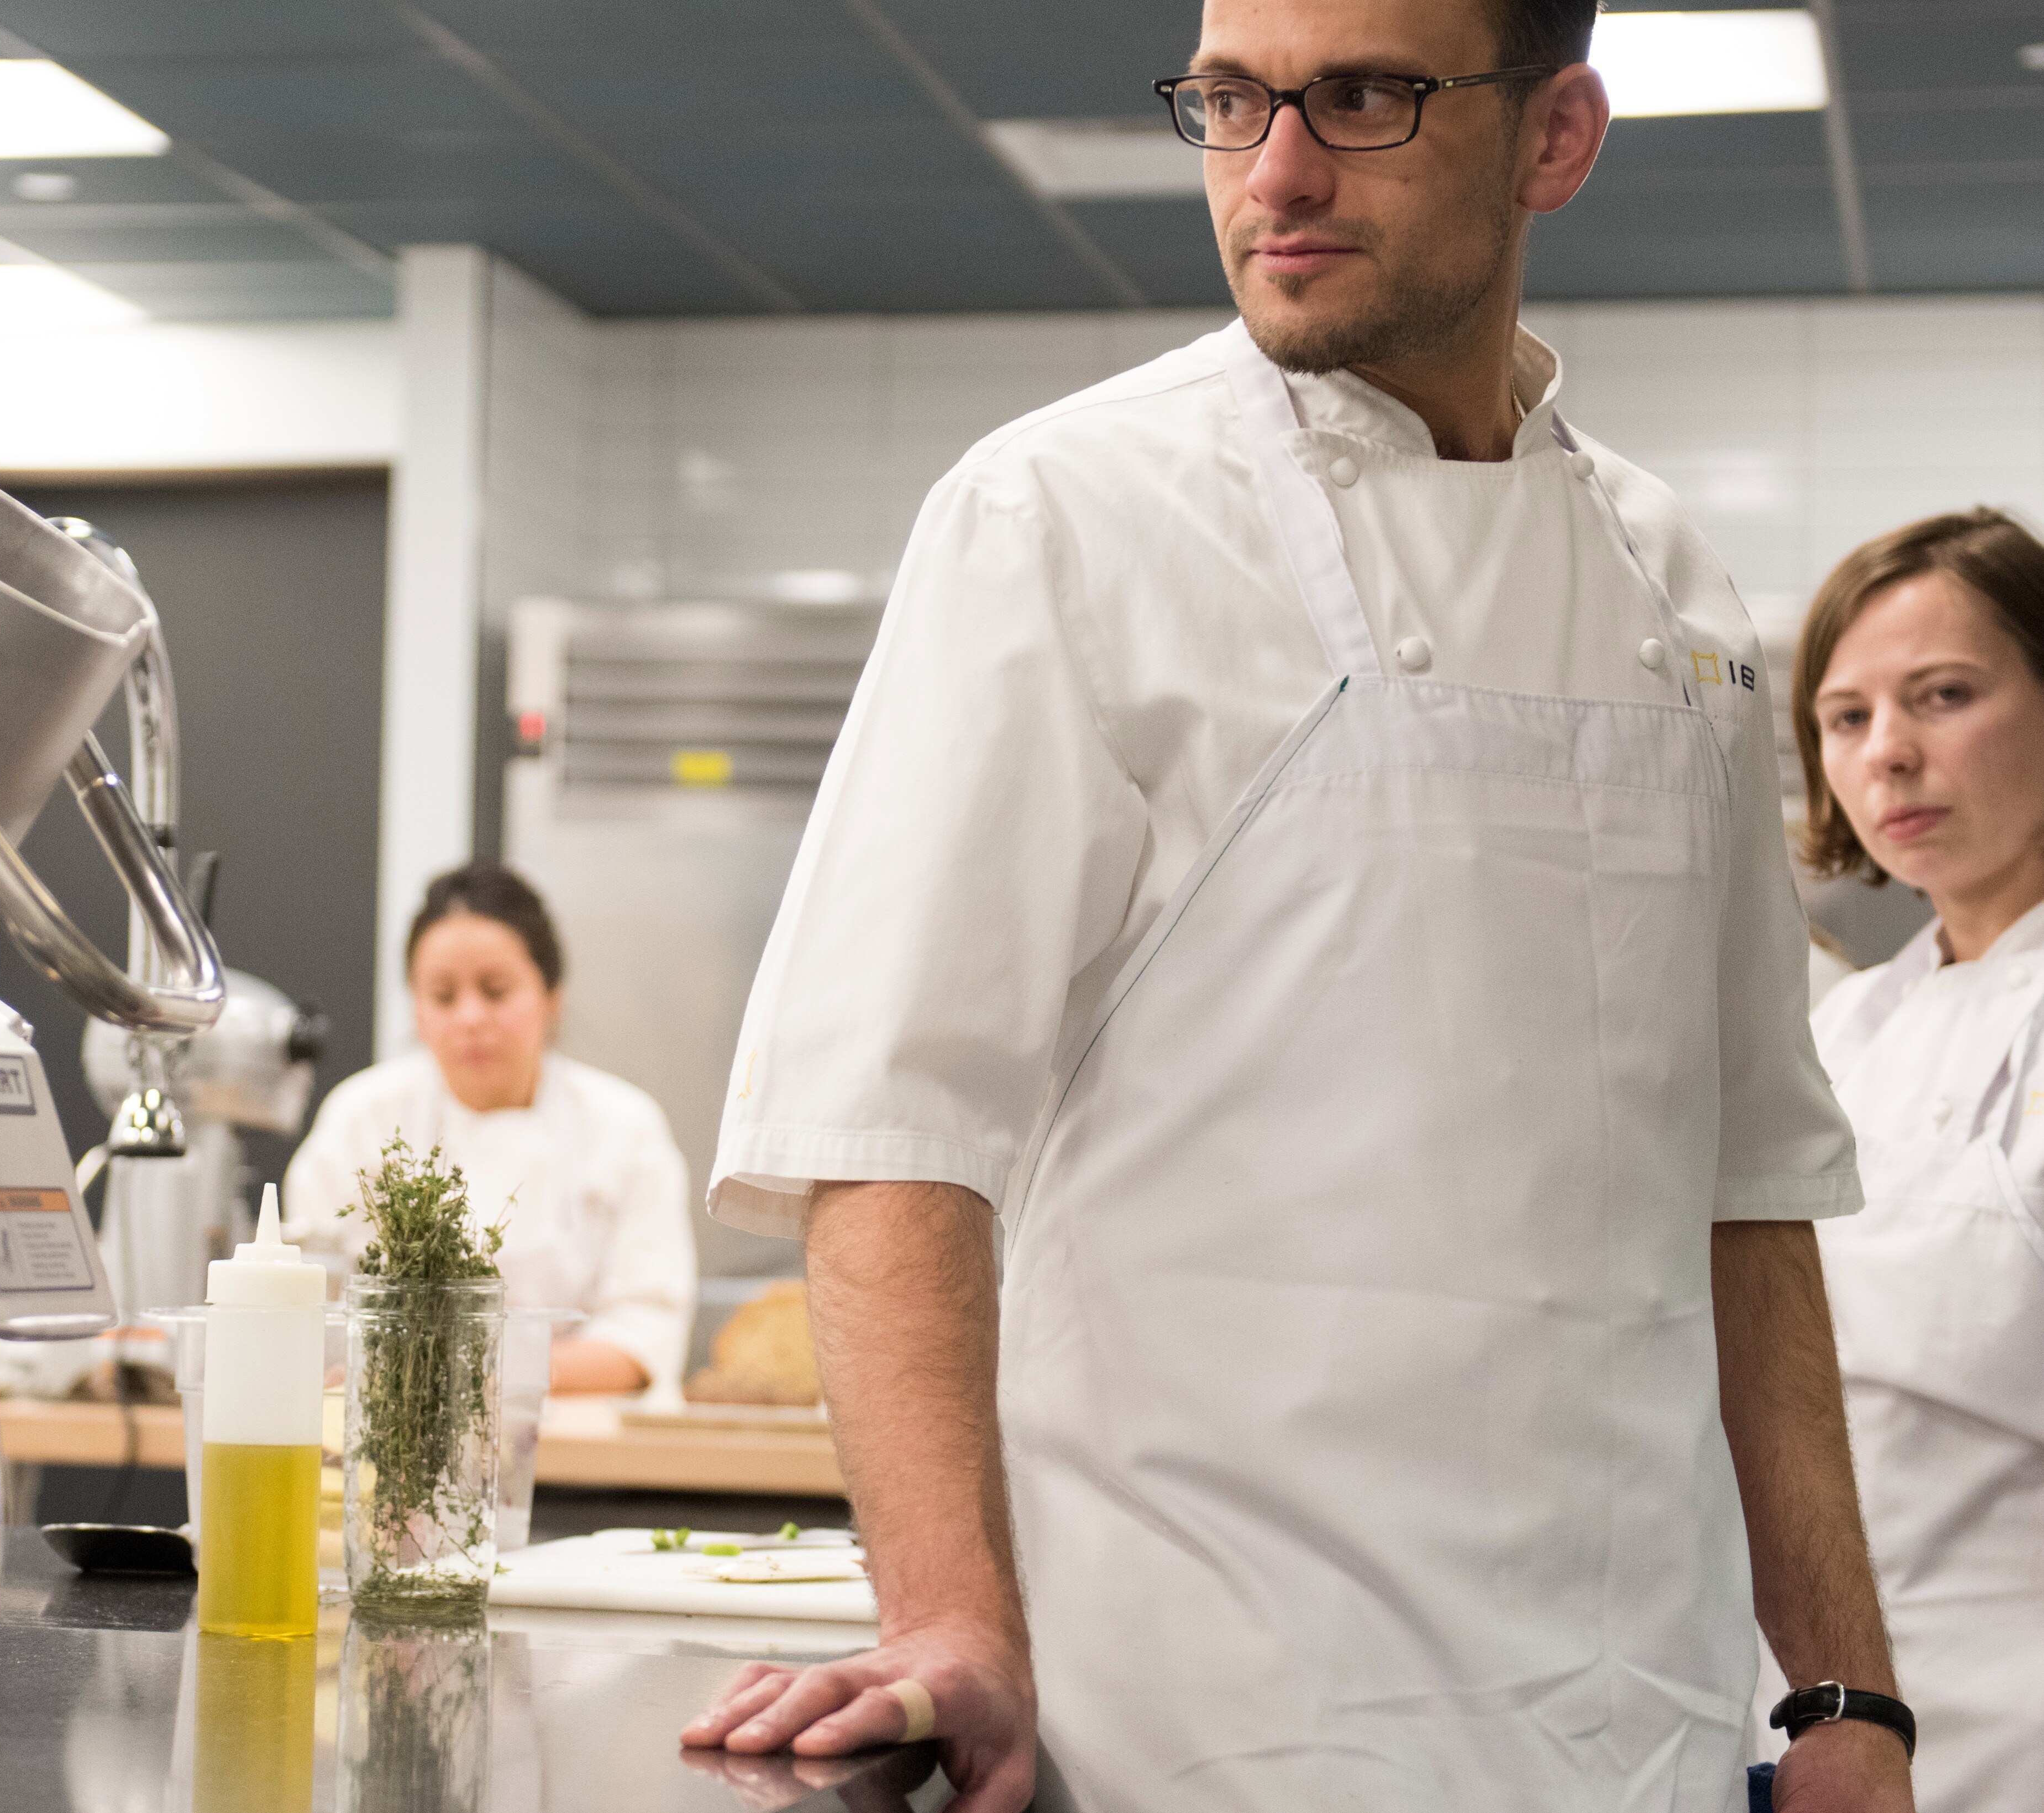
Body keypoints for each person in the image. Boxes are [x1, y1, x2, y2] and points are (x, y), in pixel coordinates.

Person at [677, 0, 1915, 1806]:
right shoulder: (1059, 519)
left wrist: (1841, 1695)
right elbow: (887, 1131)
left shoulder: (1673, 592)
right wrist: (943, 1617)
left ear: (1551, 137)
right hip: (1200, 1722)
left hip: (1625, 1726)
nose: (1274, 171)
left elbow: (1745, 1190)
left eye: (1359, 97)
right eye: (1230, 101)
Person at [1791, 508, 2044, 1809]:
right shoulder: (1845, 1029)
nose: (1889, 753)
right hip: (1845, 1729)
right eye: (1845, 718)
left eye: (1943, 696)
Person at [281, 862, 697, 1396]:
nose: (470, 1017)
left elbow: (643, 1333)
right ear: (416, 1006)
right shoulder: (362, 1119)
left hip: (578, 1451)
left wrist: (482, 1380)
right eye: (443, 996)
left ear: (551, 996)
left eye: (496, 990)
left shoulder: (623, 1127)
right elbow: (315, 1307)